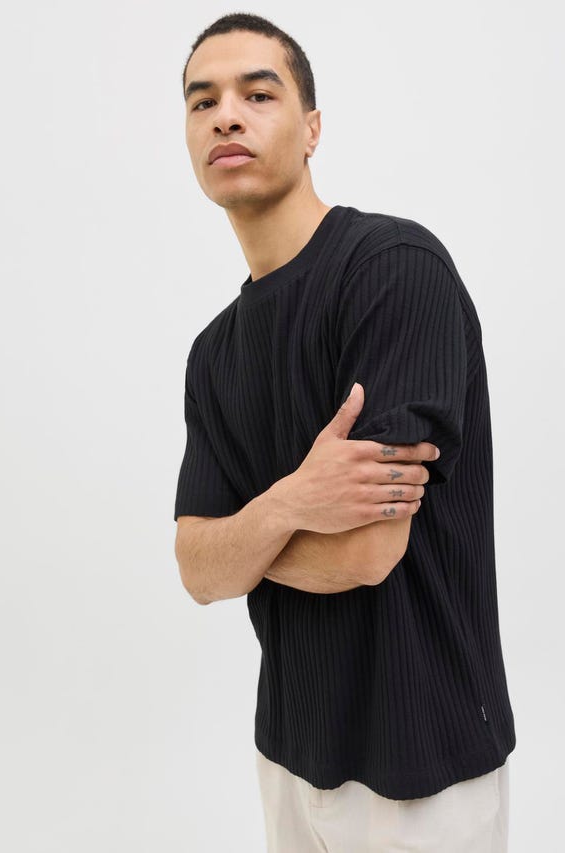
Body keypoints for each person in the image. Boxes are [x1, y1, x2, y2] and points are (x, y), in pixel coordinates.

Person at [173, 12, 516, 852]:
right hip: (289, 753)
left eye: (259, 94)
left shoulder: (393, 271)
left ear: (312, 128)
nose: (226, 116)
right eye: (202, 100)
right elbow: (194, 568)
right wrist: (294, 501)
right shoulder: (214, 352)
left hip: (424, 765)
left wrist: (241, 544)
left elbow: (367, 551)